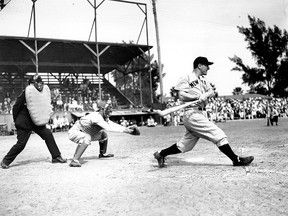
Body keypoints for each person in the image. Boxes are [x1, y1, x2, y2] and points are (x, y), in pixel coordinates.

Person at [153, 56, 254, 168]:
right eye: (206, 65)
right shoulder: (186, 77)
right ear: (199, 65)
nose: (208, 68)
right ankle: (236, 160)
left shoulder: (203, 80)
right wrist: (196, 96)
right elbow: (181, 95)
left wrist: (205, 95)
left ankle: (160, 154)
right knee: (218, 134)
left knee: (185, 145)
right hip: (191, 113)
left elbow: (211, 91)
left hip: (200, 114)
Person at [0, 75, 67, 169]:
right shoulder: (26, 93)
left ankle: (56, 157)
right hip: (24, 122)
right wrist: (17, 121)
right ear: (31, 84)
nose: (38, 85)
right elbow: (16, 107)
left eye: (40, 83)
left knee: (47, 134)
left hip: (36, 121)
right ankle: (5, 161)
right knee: (21, 144)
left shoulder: (41, 94)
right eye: (36, 83)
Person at [68, 101, 138, 167]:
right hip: (75, 132)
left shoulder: (103, 117)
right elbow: (108, 127)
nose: (108, 110)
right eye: (106, 108)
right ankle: (74, 160)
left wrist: (125, 129)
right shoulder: (96, 116)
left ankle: (102, 154)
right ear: (101, 109)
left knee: (103, 134)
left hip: (84, 132)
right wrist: (124, 131)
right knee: (87, 137)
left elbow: (112, 124)